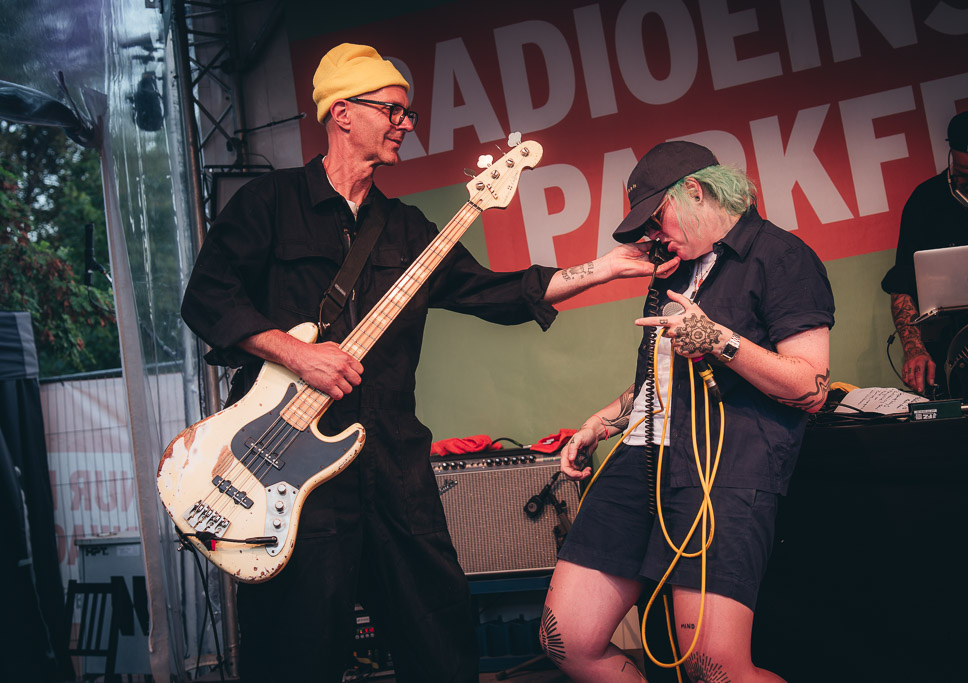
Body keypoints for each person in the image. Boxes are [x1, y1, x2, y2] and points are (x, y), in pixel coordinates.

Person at [179, 43, 672, 682]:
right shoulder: (268, 205)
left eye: (408, 113)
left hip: (392, 464)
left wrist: (605, 268)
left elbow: (499, 293)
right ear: (343, 113)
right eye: (394, 110)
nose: (406, 124)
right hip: (287, 472)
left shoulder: (409, 230)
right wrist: (298, 354)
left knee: (439, 633)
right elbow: (208, 299)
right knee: (296, 645)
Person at [541, 141, 834, 682]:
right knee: (567, 639)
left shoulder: (782, 256)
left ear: (695, 191)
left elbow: (810, 387)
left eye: (657, 217)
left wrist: (719, 339)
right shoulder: (676, 270)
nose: (653, 235)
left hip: (723, 467)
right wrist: (601, 423)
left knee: (713, 667)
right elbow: (661, 379)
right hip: (643, 458)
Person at [882, 107, 968, 394]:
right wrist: (914, 350)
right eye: (962, 174)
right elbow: (903, 286)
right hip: (954, 365)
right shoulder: (926, 202)